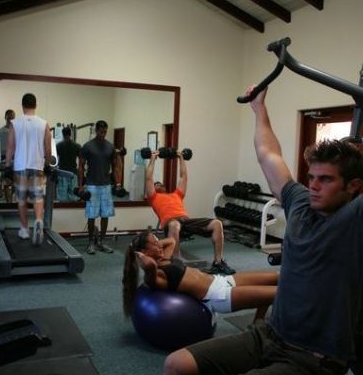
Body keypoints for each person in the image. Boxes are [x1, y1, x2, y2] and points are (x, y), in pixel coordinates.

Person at [162, 87, 363, 375]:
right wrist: (259, 108)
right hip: (269, 334)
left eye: (326, 179)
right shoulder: (300, 203)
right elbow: (268, 154)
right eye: (312, 177)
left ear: (353, 185)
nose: (314, 185)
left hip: (313, 359)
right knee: (176, 365)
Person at [123, 229, 277, 321]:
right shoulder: (155, 275)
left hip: (221, 280)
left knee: (276, 277)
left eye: (158, 242)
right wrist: (138, 254)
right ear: (144, 253)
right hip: (219, 296)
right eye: (155, 244)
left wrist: (154, 245)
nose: (159, 245)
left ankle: (258, 321)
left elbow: (171, 241)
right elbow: (149, 265)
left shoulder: (164, 259)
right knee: (279, 294)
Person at [145, 150, 235, 275]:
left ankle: (218, 262)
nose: (158, 184)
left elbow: (183, 176)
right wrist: (153, 159)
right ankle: (176, 262)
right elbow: (149, 177)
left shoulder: (177, 194)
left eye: (160, 183)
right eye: (156, 184)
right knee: (174, 225)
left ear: (165, 187)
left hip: (186, 221)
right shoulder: (153, 198)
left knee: (217, 223)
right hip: (171, 224)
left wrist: (181, 157)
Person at [5, 93, 52, 246]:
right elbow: (47, 148)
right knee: (38, 198)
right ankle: (38, 221)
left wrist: (7, 166)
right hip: (37, 165)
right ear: (35, 105)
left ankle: (24, 230)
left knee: (21, 200)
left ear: (22, 105)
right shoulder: (44, 124)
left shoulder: (15, 123)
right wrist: (47, 164)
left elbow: (10, 147)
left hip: (20, 166)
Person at [78, 120, 121, 254]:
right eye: (101, 132)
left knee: (105, 215)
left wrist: (118, 183)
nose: (103, 134)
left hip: (106, 185)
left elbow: (115, 166)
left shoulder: (110, 147)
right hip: (92, 185)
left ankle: (102, 241)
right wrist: (80, 185)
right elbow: (80, 167)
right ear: (96, 131)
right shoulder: (88, 146)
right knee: (92, 216)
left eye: (105, 132)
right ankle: (91, 242)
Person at [56, 126, 81, 201]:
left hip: (62, 173)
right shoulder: (77, 145)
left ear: (62, 134)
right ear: (70, 134)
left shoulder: (58, 145)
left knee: (62, 197)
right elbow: (81, 161)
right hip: (73, 173)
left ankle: (63, 212)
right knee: (74, 196)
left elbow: (54, 160)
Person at [0, 109, 15, 203]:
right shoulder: (0, 131)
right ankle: (9, 202)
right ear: (5, 118)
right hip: (4, 159)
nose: (11, 120)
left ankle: (11, 198)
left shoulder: (18, 131)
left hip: (15, 159)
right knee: (6, 180)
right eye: (9, 118)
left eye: (12, 118)